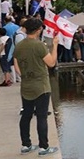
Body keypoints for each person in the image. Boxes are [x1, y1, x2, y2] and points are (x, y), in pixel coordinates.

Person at [12, 18, 59, 156]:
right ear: (39, 30)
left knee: (26, 115)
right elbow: (51, 63)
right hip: (41, 86)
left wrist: (25, 76)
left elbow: (16, 65)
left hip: (26, 85)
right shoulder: (39, 45)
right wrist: (55, 45)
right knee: (41, 117)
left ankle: (26, 145)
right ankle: (44, 147)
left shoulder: (19, 46)